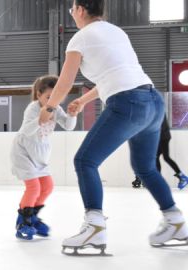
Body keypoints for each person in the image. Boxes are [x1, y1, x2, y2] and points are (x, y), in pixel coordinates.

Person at [38, 0, 188, 255]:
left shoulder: (81, 38)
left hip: (128, 103)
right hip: (152, 102)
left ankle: (94, 226)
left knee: (85, 161)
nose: (72, 14)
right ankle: (175, 221)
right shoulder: (116, 32)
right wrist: (83, 101)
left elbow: (64, 83)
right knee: (145, 168)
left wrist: (49, 108)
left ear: (81, 10)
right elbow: (119, 74)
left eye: (72, 9)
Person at [12, 75, 77, 240]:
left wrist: (72, 114)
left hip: (40, 154)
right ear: (39, 94)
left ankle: (32, 216)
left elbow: (68, 127)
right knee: (33, 187)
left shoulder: (57, 109)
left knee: (47, 186)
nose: (53, 100)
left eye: (58, 96)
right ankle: (24, 221)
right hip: (24, 152)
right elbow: (26, 131)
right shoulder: (33, 107)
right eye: (49, 97)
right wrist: (40, 119)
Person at [132, 115, 188, 189]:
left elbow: (158, 125)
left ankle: (182, 177)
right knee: (156, 157)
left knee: (166, 157)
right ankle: (158, 181)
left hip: (163, 137)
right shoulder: (155, 109)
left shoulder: (157, 109)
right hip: (162, 136)